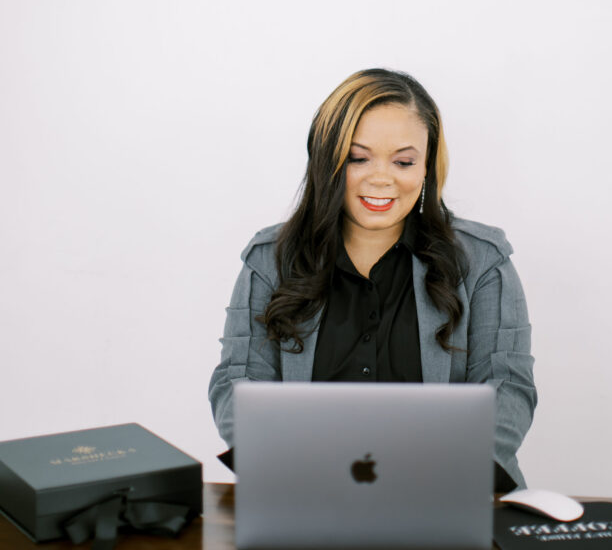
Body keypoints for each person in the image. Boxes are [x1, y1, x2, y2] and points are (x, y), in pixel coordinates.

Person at [209, 68, 537, 489]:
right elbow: (238, 385)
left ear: (427, 167)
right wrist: (292, 472)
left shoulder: (482, 261)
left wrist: (443, 479)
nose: (381, 178)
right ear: (327, 160)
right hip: (304, 496)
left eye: (403, 161)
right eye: (358, 158)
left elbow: (508, 390)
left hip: (448, 495)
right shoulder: (270, 259)